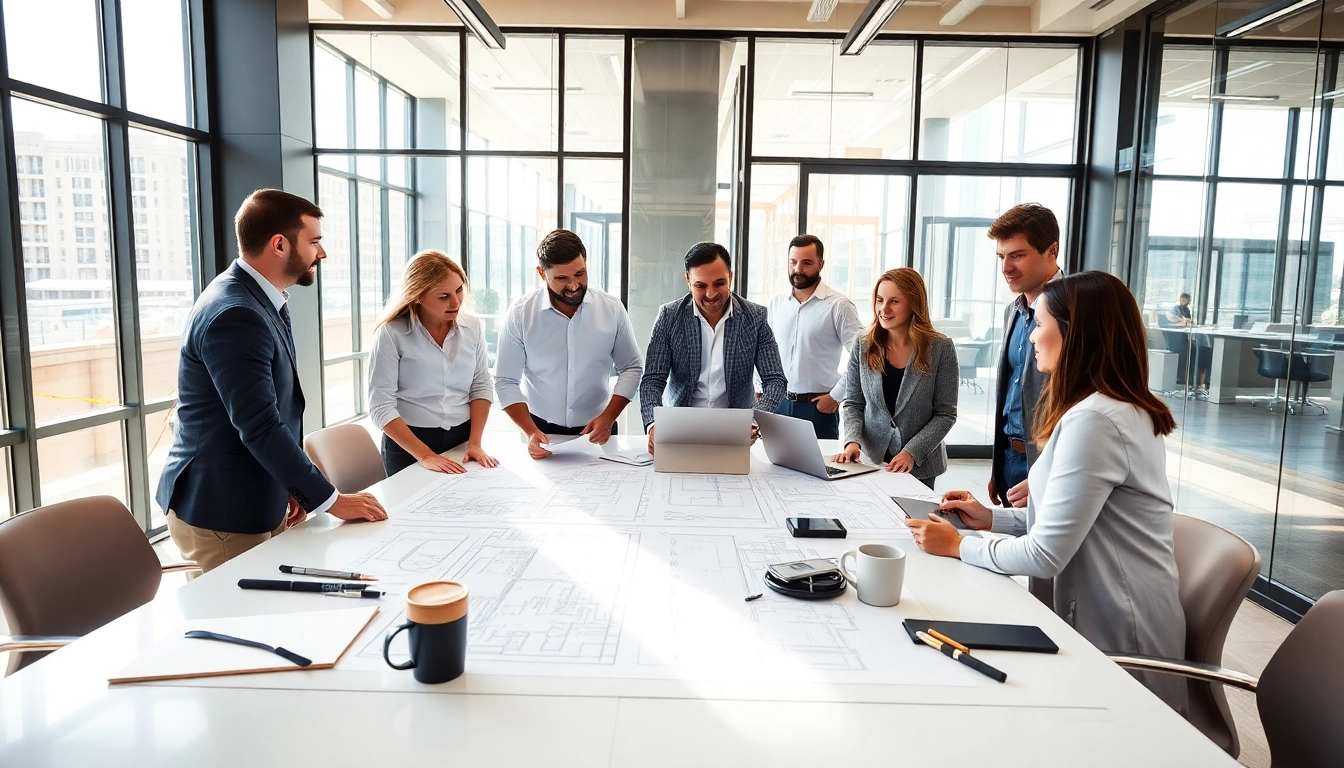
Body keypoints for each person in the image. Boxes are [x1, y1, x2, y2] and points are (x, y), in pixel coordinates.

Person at [906, 271, 1187, 713]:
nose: (1033, 336)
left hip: (1117, 632)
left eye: (1040, 323)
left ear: (1073, 333)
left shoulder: (1096, 421)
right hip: (1106, 609)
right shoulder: (1110, 407)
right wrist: (991, 518)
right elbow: (1070, 519)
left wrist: (960, 546)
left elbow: (1045, 554)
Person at [157, 189, 387, 573]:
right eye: (314, 241)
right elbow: (260, 425)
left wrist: (289, 485)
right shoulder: (235, 313)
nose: (322, 253)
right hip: (224, 510)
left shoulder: (259, 298)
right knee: (241, 624)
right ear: (279, 245)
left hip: (250, 497)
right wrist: (329, 500)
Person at [495, 230, 643, 459]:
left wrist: (609, 417)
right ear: (542, 274)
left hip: (600, 429)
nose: (574, 285)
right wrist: (529, 431)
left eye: (580, 274)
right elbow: (505, 380)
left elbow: (632, 368)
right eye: (562, 278)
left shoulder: (612, 309)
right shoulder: (521, 314)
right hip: (540, 431)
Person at [639, 242, 787, 454]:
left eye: (719, 283)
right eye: (701, 285)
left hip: (735, 430)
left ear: (731, 277)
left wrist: (754, 420)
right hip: (680, 427)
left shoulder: (755, 318)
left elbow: (775, 380)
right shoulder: (669, 317)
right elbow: (653, 380)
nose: (711, 294)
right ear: (687, 280)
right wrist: (653, 424)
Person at [367, 250, 500, 476]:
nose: (456, 302)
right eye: (443, 296)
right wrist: (425, 455)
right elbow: (381, 406)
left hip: (462, 440)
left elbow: (480, 386)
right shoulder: (391, 334)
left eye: (459, 290)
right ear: (417, 295)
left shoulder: (473, 327)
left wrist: (475, 443)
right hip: (409, 445)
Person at [832, 268, 958, 488]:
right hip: (872, 462)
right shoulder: (863, 344)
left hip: (920, 467)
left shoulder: (941, 348)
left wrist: (911, 452)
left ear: (914, 304)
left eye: (894, 302)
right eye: (880, 300)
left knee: (912, 522)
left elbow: (945, 414)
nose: (883, 309)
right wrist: (852, 441)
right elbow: (853, 403)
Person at [989, 203, 1062, 509]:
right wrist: (998, 466)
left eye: (1017, 255)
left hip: (1051, 464)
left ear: (1051, 251)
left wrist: (1049, 474)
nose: (1006, 267)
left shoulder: (1078, 308)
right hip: (1010, 458)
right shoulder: (1013, 311)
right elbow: (1010, 392)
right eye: (1001, 257)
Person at [767, 234, 864, 440]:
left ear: (821, 264)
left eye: (806, 263)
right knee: (776, 469)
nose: (798, 269)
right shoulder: (776, 303)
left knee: (817, 471)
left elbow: (864, 356)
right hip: (778, 406)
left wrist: (836, 396)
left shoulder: (839, 306)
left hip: (817, 409)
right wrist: (761, 388)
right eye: (793, 262)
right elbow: (763, 350)